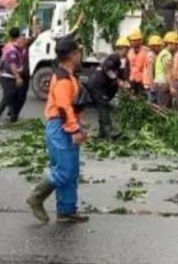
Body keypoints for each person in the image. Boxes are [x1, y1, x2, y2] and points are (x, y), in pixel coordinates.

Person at [26, 36, 89, 224]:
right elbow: (63, 108)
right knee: (64, 171)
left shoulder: (66, 75)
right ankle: (36, 197)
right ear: (72, 55)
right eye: (77, 52)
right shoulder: (62, 78)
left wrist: (78, 125)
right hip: (60, 126)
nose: (79, 56)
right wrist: (74, 129)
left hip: (64, 125)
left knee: (71, 171)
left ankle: (67, 210)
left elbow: (71, 106)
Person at [86, 52, 123, 140]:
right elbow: (110, 73)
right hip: (97, 87)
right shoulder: (108, 64)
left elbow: (119, 75)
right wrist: (118, 81)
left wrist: (122, 82)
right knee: (104, 106)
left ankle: (102, 132)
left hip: (100, 86)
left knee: (102, 107)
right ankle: (109, 132)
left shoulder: (115, 63)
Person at [0, 28, 26, 123]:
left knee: (12, 96)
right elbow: (11, 64)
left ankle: (12, 116)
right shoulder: (12, 50)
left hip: (10, 75)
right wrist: (18, 76)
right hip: (7, 76)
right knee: (7, 97)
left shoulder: (19, 50)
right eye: (23, 43)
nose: (24, 46)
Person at [153, 32, 177, 107]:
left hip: (159, 83)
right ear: (170, 43)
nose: (176, 46)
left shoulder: (162, 53)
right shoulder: (167, 55)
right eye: (175, 44)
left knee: (161, 106)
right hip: (163, 84)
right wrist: (172, 87)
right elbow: (168, 73)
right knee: (164, 109)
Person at [13, 35, 33, 121]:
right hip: (16, 74)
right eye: (17, 42)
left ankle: (15, 113)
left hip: (25, 75)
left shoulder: (28, 50)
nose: (18, 44)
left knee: (22, 96)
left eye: (20, 43)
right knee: (13, 94)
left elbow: (33, 37)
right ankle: (13, 110)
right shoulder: (16, 50)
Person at [126, 29, 148, 96]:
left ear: (140, 41)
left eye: (135, 40)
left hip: (142, 81)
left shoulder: (146, 51)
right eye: (132, 40)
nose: (133, 42)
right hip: (131, 80)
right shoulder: (129, 52)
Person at [144, 35, 161, 102]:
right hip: (150, 84)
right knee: (152, 102)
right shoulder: (151, 57)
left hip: (150, 83)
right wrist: (152, 86)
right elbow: (150, 72)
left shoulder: (152, 54)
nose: (160, 47)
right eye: (158, 46)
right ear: (153, 46)